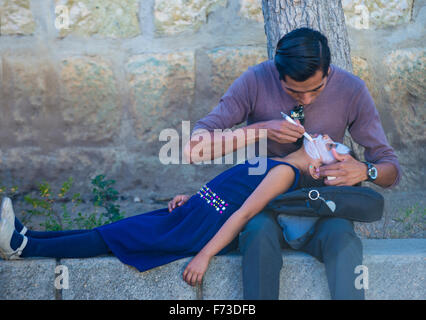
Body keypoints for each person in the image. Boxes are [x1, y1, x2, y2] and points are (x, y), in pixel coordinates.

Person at [184, 27, 401, 299]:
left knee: (343, 240)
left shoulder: (351, 89)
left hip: (324, 206)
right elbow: (194, 149)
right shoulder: (255, 80)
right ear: (278, 74)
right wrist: (261, 129)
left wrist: (366, 170)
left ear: (328, 71)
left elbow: (390, 169)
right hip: (266, 204)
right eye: (295, 92)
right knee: (257, 234)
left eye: (316, 90)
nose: (306, 100)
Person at [1, 135, 348, 287]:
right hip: (196, 211)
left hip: (201, 230)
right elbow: (232, 188)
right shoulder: (278, 162)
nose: (328, 137)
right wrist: (194, 197)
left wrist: (204, 256)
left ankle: (22, 247)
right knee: (112, 231)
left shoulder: (286, 173)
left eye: (332, 146)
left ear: (319, 165)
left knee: (111, 238)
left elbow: (242, 214)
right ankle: (27, 237)